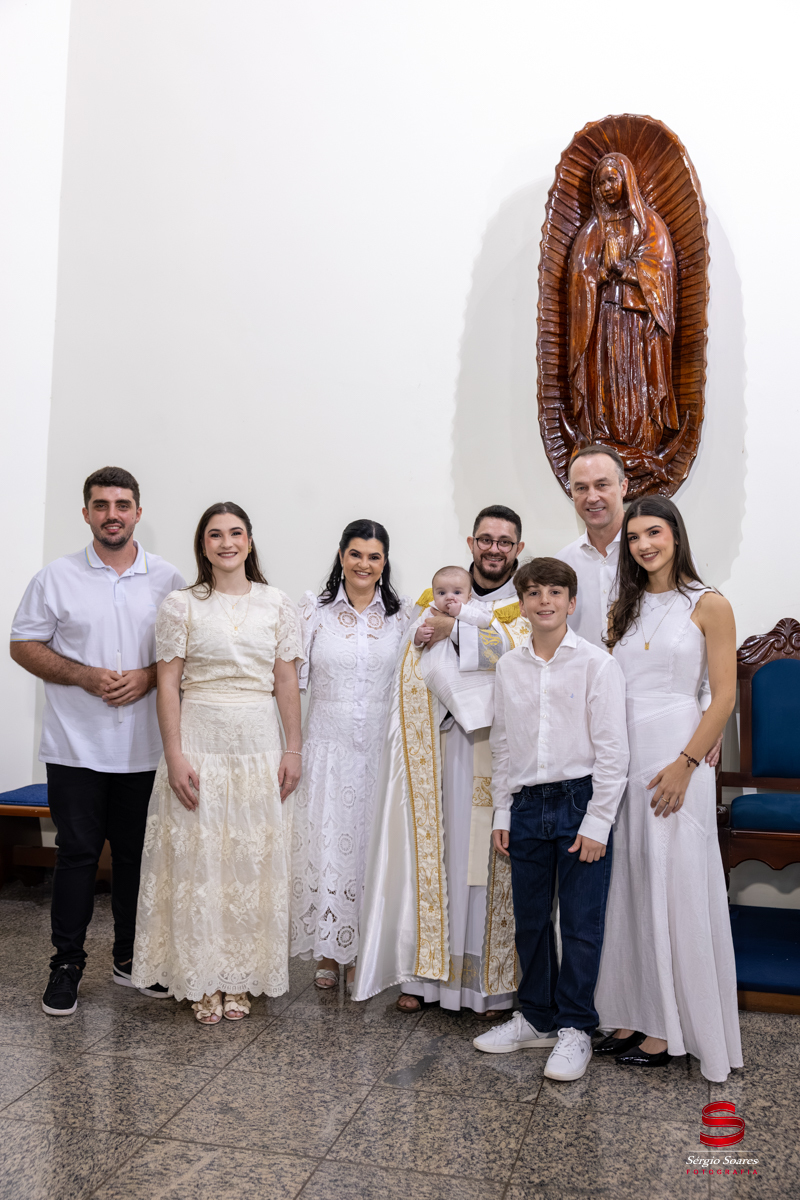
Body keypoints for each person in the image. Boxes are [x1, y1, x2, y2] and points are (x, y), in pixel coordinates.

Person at [9, 467, 185, 1016]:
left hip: (146, 747)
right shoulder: (55, 577)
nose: (113, 514)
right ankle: (66, 965)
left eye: (122, 504)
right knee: (77, 855)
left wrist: (148, 676)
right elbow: (23, 645)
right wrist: (84, 675)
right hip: (75, 746)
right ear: (86, 513)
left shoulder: (170, 579)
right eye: (101, 505)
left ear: (138, 513)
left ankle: (130, 958)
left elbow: (186, 654)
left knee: (136, 857)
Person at [354, 505, 531, 1017]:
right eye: (485, 539)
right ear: (471, 543)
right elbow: (410, 666)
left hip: (494, 753)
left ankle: (488, 986)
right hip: (440, 750)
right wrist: (436, 631)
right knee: (436, 856)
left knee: (485, 867)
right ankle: (426, 977)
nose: (494, 549)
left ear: (518, 548)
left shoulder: (524, 606)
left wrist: (455, 629)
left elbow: (516, 659)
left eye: (504, 541)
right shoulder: (433, 598)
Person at [130, 502, 303, 1026]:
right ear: (203, 546)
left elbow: (286, 681)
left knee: (248, 864)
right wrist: (174, 754)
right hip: (199, 742)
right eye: (215, 535)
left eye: (235, 533)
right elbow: (167, 685)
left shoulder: (277, 604)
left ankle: (240, 977)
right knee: (199, 864)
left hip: (258, 744)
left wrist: (293, 748)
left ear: (249, 541)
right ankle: (200, 978)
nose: (226, 543)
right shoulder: (180, 605)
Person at [592, 497, 743, 1082]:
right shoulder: (623, 607)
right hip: (626, 755)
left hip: (677, 754)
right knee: (631, 884)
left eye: (653, 532)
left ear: (675, 535)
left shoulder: (710, 603)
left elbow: (723, 694)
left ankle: (671, 1028)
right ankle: (632, 1010)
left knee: (674, 884)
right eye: (633, 537)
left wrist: (686, 762)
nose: (644, 545)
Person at [473, 558, 628, 1081]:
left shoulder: (596, 664)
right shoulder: (508, 667)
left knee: (581, 924)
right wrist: (502, 808)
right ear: (522, 603)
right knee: (531, 920)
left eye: (555, 592)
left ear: (571, 602)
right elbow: (502, 744)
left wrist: (598, 822)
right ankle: (537, 1016)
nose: (545, 601)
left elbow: (613, 752)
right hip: (525, 806)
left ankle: (576, 1026)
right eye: (535, 592)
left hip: (579, 802)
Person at [289, 520, 412, 991]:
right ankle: (328, 950)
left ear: (385, 563)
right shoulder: (313, 611)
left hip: (380, 753)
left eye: (374, 556)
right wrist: (291, 745)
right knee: (328, 848)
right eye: (356, 554)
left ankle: (363, 948)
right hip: (327, 749)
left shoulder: (401, 617)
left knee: (370, 850)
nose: (364, 564)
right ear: (341, 556)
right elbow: (290, 683)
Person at [558, 444, 721, 765]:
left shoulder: (659, 553)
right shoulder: (563, 565)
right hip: (587, 723)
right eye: (581, 488)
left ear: (623, 486)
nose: (592, 497)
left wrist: (709, 714)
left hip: (664, 723)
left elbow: (694, 633)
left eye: (602, 484)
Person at [568, 153, 678, 471]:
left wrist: (628, 269)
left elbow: (662, 267)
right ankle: (603, 437)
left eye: (612, 179)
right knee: (607, 374)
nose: (606, 187)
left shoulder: (648, 224)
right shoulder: (593, 230)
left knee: (634, 377)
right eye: (601, 182)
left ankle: (640, 442)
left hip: (637, 320)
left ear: (626, 180)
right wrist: (601, 273)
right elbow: (580, 275)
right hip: (603, 318)